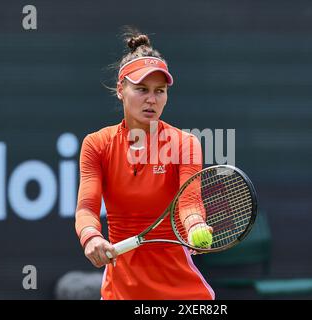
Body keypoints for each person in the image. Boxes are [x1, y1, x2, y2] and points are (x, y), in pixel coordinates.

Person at [74, 28, 214, 300]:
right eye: (141, 89)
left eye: (159, 91)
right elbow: (87, 208)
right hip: (120, 290)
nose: (152, 99)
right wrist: (91, 237)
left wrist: (196, 224)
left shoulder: (185, 143)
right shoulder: (97, 144)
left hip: (182, 291)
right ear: (120, 90)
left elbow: (189, 202)